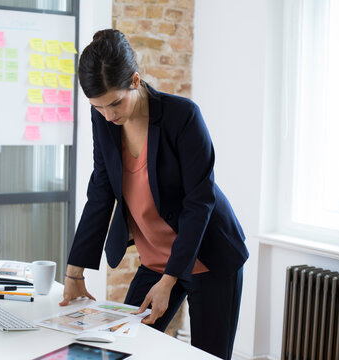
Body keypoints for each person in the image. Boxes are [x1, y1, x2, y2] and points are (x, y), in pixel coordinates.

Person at [59, 29, 249, 360]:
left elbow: (198, 201)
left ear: (135, 80)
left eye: (115, 103)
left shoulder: (182, 117)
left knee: (207, 356)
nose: (109, 116)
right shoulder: (104, 116)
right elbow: (101, 188)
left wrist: (171, 279)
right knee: (122, 345)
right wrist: (75, 272)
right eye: (98, 107)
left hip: (210, 257)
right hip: (156, 259)